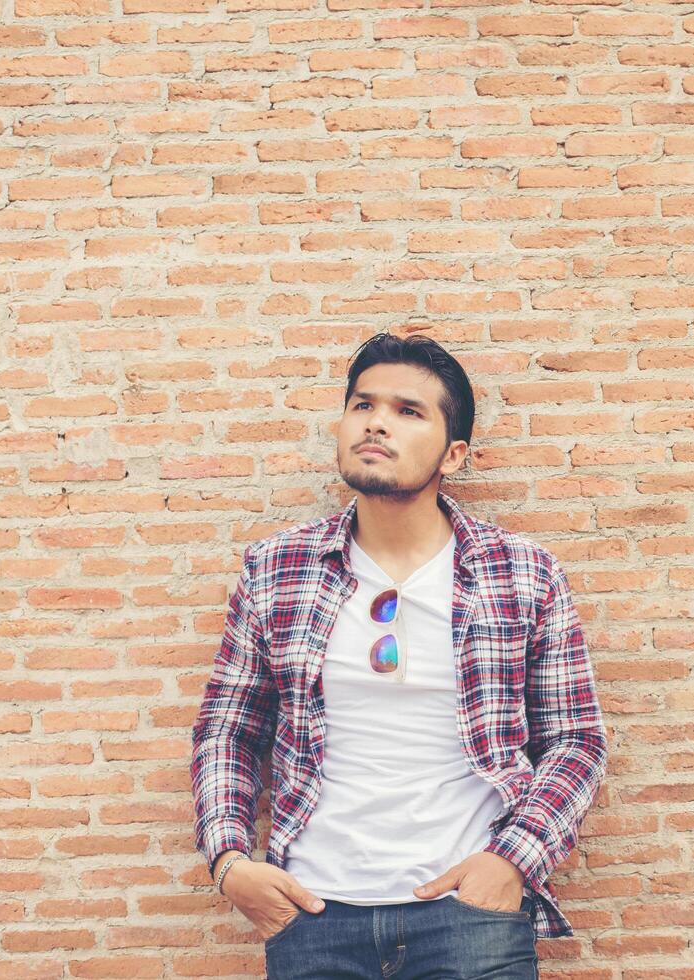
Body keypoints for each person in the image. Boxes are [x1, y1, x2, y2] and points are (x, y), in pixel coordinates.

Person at [190, 332, 608, 979]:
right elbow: (228, 728)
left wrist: (510, 862)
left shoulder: (520, 574)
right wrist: (230, 864)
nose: (377, 422)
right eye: (363, 405)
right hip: (314, 913)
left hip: (469, 914)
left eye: (408, 412)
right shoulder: (277, 570)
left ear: (455, 453)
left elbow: (576, 739)